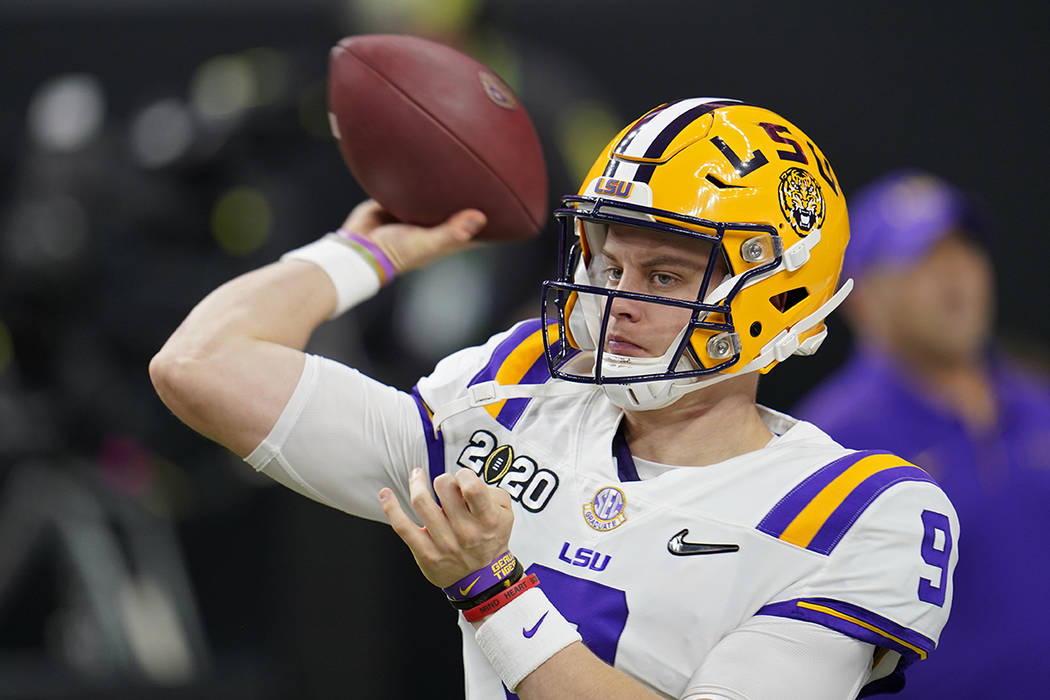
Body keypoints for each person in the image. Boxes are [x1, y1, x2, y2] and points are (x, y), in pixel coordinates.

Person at [150, 98, 959, 699]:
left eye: (665, 275)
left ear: (778, 293)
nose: (620, 300)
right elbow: (200, 364)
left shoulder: (858, 513)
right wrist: (362, 251)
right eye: (609, 267)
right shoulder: (523, 391)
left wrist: (494, 592)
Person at [794, 170, 1050, 696]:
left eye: (965, 252)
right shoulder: (829, 445)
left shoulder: (1036, 399)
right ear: (863, 300)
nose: (955, 276)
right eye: (923, 261)